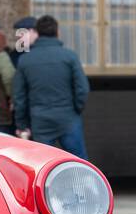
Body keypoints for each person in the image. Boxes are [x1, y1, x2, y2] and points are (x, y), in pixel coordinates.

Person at [12, 15, 89, 159]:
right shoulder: (70, 56)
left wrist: (22, 124)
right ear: (57, 32)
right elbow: (83, 89)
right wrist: (76, 110)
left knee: (41, 164)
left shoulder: (25, 60)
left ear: (37, 33)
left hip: (40, 120)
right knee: (79, 163)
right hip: (68, 118)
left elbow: (19, 97)